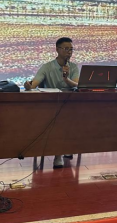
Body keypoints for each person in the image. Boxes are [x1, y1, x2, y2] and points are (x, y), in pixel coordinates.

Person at [24, 37, 80, 168]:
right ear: (57, 49)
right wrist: (29, 86)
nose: (69, 52)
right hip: (51, 106)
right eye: (66, 49)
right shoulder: (47, 67)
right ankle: (58, 154)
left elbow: (77, 85)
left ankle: (68, 146)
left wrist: (66, 80)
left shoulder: (73, 67)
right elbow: (34, 83)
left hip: (70, 105)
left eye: (71, 49)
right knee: (59, 120)